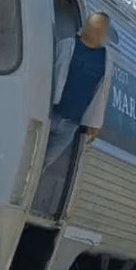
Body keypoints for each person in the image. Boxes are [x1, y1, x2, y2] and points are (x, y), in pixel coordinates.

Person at [43, 11, 113, 170]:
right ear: (86, 26)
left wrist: (95, 123)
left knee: (45, 162)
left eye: (101, 28)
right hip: (50, 112)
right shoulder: (66, 45)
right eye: (94, 26)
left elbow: (101, 93)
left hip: (71, 123)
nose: (96, 31)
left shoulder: (105, 59)